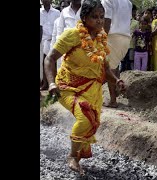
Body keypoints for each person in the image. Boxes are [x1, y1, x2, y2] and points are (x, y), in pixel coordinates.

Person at [43, 0, 126, 175]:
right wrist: (51, 83)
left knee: (91, 122)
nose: (99, 21)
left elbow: (105, 70)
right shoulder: (72, 35)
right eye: (94, 17)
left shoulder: (102, 40)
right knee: (86, 117)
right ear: (84, 18)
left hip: (92, 90)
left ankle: (78, 157)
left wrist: (116, 80)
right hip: (67, 87)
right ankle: (72, 156)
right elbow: (49, 59)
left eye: (102, 17)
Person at [101, 0, 132, 108]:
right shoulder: (128, 2)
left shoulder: (107, 0)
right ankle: (117, 91)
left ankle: (113, 100)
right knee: (115, 66)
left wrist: (101, 39)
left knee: (110, 68)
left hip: (113, 37)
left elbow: (107, 22)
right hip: (126, 38)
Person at [40, 0, 61, 90]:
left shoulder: (57, 12)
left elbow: (59, 26)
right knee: (44, 61)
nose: (46, 0)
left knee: (54, 60)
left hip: (54, 39)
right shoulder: (40, 12)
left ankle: (55, 82)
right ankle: (45, 83)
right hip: (43, 40)